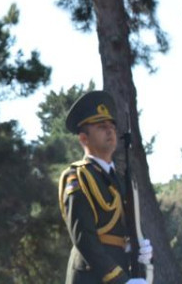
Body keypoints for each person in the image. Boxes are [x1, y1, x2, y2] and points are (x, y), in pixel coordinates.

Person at [58, 90, 151, 284]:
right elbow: (84, 239)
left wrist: (140, 250)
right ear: (84, 139)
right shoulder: (77, 176)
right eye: (101, 127)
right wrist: (119, 280)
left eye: (111, 126)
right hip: (92, 275)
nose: (110, 131)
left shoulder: (120, 179)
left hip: (122, 269)